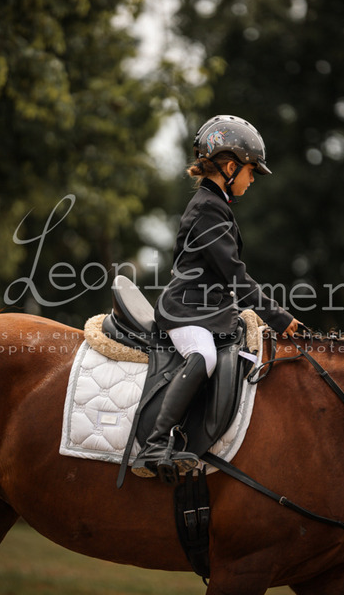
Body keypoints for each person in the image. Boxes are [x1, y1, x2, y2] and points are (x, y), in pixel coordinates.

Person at [131, 114, 300, 479]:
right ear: (230, 167)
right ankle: (154, 444)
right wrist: (279, 316)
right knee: (204, 355)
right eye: (251, 171)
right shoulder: (209, 208)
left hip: (207, 309)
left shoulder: (215, 204)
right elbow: (235, 276)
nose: (252, 179)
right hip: (185, 311)